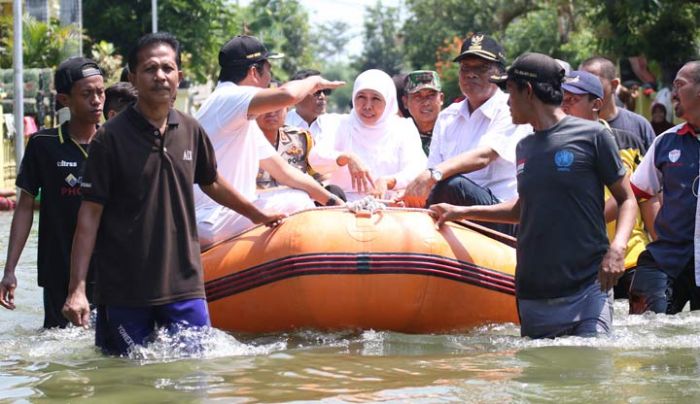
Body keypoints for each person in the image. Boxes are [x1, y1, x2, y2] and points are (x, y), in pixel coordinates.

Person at [61, 33, 285, 356]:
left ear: (179, 75)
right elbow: (89, 215)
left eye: (168, 68)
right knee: (123, 380)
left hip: (185, 286)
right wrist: (77, 288)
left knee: (195, 375)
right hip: (125, 289)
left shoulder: (192, 131)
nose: (160, 76)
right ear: (133, 77)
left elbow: (213, 182)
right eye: (150, 68)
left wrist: (257, 214)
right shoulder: (109, 139)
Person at [430, 53, 637, 339]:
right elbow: (523, 208)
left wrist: (618, 247)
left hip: (587, 287)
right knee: (541, 379)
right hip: (533, 293)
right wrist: (460, 212)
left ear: (528, 92)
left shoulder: (593, 136)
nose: (506, 101)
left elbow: (627, 199)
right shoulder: (524, 147)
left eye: (509, 91)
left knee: (591, 373)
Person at [194, 35, 343, 248]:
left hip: (218, 217)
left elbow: (284, 172)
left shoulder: (237, 115)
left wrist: (332, 202)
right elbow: (288, 95)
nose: (269, 79)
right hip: (211, 218)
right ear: (254, 72)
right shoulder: (230, 97)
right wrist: (315, 82)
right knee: (298, 200)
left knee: (298, 194)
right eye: (269, 69)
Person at [0, 57, 104, 329]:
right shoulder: (43, 144)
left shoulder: (113, 142)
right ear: (64, 100)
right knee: (61, 350)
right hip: (59, 271)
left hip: (109, 270)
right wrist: (9, 270)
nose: (97, 100)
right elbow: (24, 207)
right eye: (87, 94)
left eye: (100, 92)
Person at [400, 33, 531, 236]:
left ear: (500, 73)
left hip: (499, 214)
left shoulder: (510, 109)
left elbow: (484, 156)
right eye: (465, 68)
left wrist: (434, 174)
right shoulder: (447, 117)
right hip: (454, 210)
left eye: (481, 68)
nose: (471, 74)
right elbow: (432, 171)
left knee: (453, 185)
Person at [561, 70, 653, 301]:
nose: (564, 105)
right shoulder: (551, 145)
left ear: (596, 104)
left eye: (572, 100)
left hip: (628, 257)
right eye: (561, 99)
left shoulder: (623, 141)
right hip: (579, 262)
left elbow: (631, 196)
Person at [628, 60, 700, 315]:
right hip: (666, 257)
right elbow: (634, 195)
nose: (672, 93)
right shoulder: (665, 142)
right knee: (642, 332)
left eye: (679, 85)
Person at [308, 69, 427, 202]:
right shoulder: (336, 123)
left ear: (389, 100)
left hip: (389, 204)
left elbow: (417, 169)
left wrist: (389, 181)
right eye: (361, 97)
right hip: (343, 205)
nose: (367, 106)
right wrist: (346, 157)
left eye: (376, 98)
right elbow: (315, 158)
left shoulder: (404, 128)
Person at [580, 56, 655, 152]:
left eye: (591, 82)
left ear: (614, 85)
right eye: (580, 84)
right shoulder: (571, 127)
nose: (584, 90)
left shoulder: (639, 126)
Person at [285, 69, 342, 141]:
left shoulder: (335, 125)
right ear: (298, 95)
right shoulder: (281, 125)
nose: (322, 96)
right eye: (317, 92)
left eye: (325, 91)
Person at [402, 70, 444, 155]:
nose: (426, 102)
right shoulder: (399, 136)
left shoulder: (453, 131)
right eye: (417, 96)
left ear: (441, 99)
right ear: (405, 102)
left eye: (431, 95)